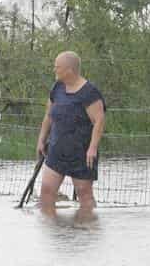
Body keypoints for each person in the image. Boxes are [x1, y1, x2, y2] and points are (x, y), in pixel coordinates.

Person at [35, 51, 105, 211]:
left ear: (69, 70)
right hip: (56, 150)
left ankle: (86, 231)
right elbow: (48, 115)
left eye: (57, 67)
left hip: (81, 153)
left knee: (84, 195)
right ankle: (53, 232)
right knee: (46, 193)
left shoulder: (89, 92)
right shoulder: (57, 88)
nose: (54, 70)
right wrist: (41, 139)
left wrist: (93, 148)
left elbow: (99, 121)